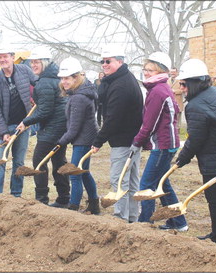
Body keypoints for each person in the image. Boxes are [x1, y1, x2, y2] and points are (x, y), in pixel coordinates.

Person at [175, 59, 216, 242]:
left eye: (184, 83)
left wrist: (182, 159)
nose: (182, 87)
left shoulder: (194, 106)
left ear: (194, 82)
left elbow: (195, 139)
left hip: (215, 157)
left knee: (215, 198)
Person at [131, 52, 188, 231]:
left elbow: (149, 124)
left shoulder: (157, 91)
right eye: (145, 69)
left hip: (164, 145)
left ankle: (145, 224)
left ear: (160, 71)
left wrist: (137, 142)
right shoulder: (160, 88)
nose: (146, 73)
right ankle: (179, 222)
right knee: (163, 184)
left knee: (146, 185)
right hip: (166, 144)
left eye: (151, 70)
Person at [91, 45, 143, 223]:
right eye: (102, 61)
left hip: (124, 139)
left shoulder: (121, 85)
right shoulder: (122, 79)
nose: (104, 65)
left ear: (120, 61)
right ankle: (133, 218)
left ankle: (121, 219)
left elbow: (113, 118)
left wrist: (98, 141)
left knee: (119, 180)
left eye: (109, 61)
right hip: (133, 138)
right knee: (131, 180)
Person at [17, 47, 70, 207]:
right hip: (61, 127)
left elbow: (45, 111)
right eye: (32, 62)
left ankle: (41, 199)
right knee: (59, 162)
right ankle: (64, 198)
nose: (33, 65)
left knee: (39, 161)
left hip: (53, 128)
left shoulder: (46, 81)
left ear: (45, 63)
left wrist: (26, 122)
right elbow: (47, 105)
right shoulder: (53, 78)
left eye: (37, 62)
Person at [0, 45, 37, 197]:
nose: (2, 60)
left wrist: (36, 99)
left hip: (23, 126)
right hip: (2, 128)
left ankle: (16, 195)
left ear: (12, 57)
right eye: (0, 57)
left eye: (5, 56)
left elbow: (39, 86)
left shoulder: (25, 71)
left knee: (19, 163)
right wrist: (3, 132)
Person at [56, 57, 100, 214]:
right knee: (84, 172)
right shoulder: (82, 92)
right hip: (87, 138)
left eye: (67, 78)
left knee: (74, 174)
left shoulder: (79, 98)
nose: (64, 82)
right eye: (62, 78)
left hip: (83, 140)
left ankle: (73, 207)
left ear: (76, 77)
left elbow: (74, 129)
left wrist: (60, 142)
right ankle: (94, 205)